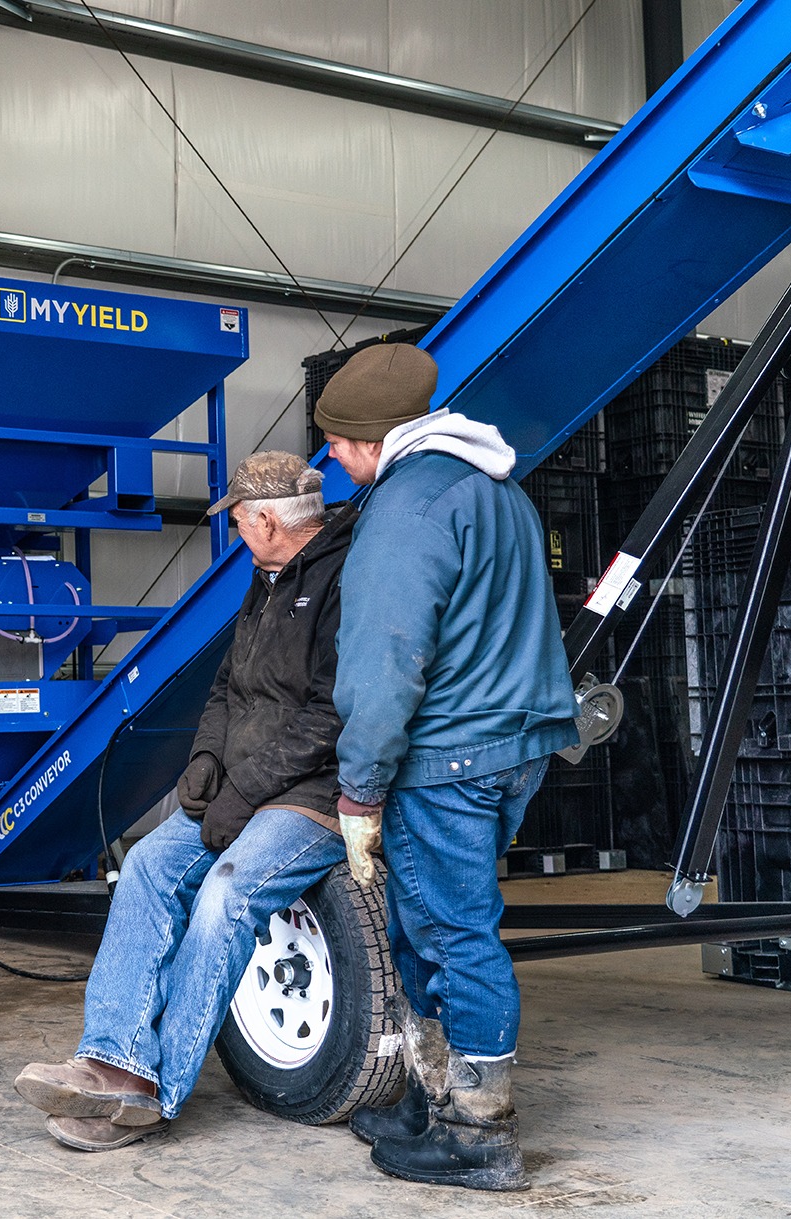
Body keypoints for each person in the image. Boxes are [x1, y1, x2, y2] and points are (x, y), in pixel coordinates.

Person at [14, 452, 361, 1152]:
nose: (235, 530)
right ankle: (113, 1060)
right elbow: (228, 688)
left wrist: (246, 790)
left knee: (223, 897)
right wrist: (206, 758)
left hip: (311, 795)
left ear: (268, 522)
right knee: (145, 865)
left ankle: (153, 1092)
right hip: (244, 785)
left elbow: (332, 714)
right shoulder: (264, 580)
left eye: (239, 519)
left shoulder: (344, 580)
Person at [315, 344, 577, 1192]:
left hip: (448, 755)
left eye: (337, 440)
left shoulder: (405, 508)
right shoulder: (496, 490)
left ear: (372, 437)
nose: (330, 456)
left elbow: (383, 663)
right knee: (423, 924)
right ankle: (431, 1099)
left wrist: (359, 786)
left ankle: (477, 1131)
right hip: (514, 741)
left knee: (455, 934)